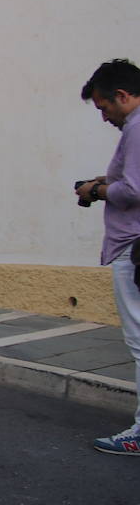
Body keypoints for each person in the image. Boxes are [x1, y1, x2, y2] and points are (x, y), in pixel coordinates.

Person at [76, 59, 140, 455]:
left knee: (139, 339)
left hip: (133, 246)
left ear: (122, 96)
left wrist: (94, 192)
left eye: (104, 107)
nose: (104, 117)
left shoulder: (136, 127)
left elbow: (133, 190)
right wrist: (104, 181)